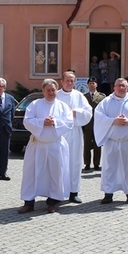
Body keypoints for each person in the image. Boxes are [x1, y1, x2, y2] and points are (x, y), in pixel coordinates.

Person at [19, 79, 74, 214]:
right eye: (48, 90)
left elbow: (69, 122)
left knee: (55, 174)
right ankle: (29, 202)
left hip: (55, 146)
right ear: (43, 91)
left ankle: (52, 202)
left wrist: (54, 122)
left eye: (53, 90)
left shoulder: (62, 106)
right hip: (37, 145)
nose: (51, 92)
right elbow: (27, 121)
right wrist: (42, 122)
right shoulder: (35, 104)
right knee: (32, 174)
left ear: (57, 91)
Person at [56, 71, 92, 202]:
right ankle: (58, 191)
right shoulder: (57, 95)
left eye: (72, 81)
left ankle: (73, 192)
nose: (70, 83)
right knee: (60, 162)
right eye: (67, 80)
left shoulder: (79, 96)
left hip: (75, 132)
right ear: (62, 81)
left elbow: (88, 112)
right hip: (60, 133)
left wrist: (76, 112)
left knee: (75, 162)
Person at [82, 77, 106, 171]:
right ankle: (87, 163)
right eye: (90, 83)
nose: (92, 85)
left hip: (98, 124)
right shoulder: (84, 97)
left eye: (93, 83)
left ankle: (96, 164)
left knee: (97, 145)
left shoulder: (102, 96)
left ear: (96, 85)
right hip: (87, 124)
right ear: (88, 85)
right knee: (87, 145)